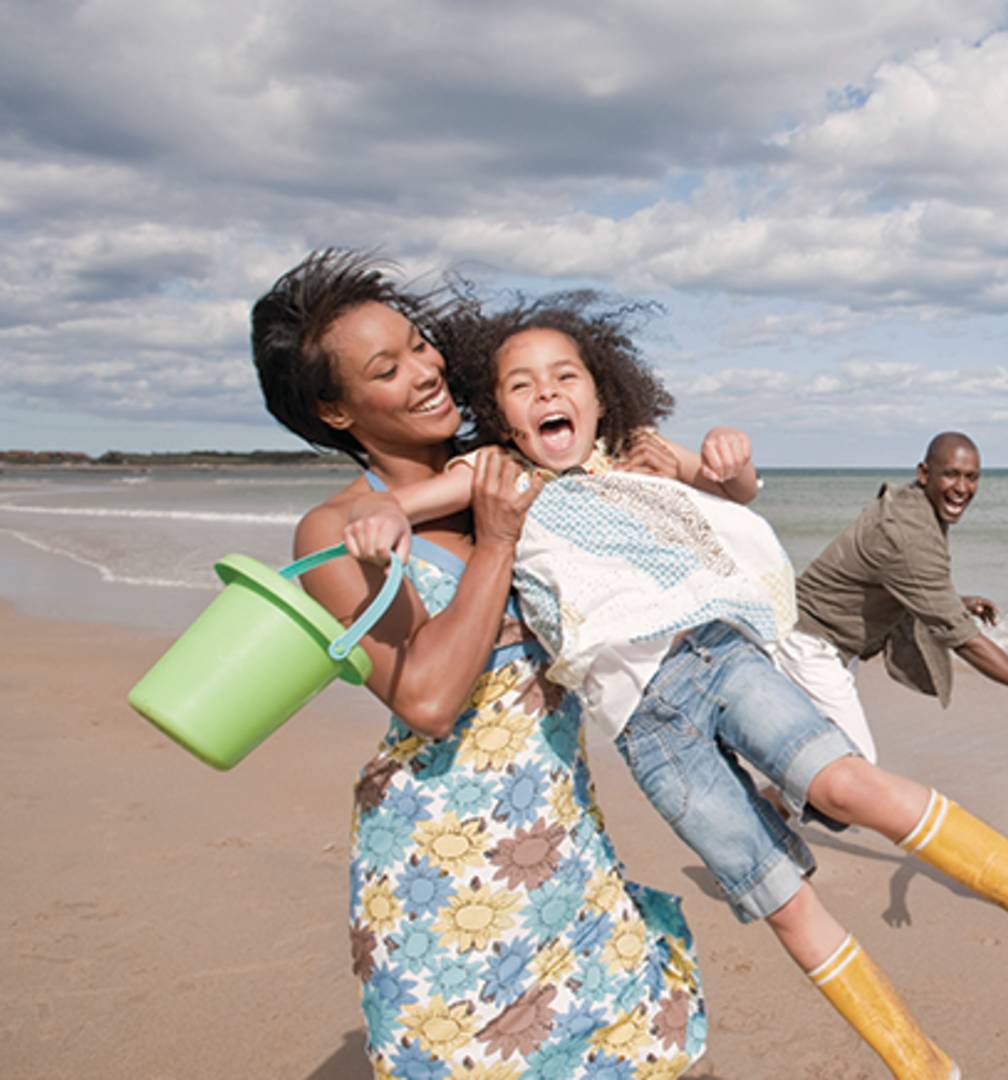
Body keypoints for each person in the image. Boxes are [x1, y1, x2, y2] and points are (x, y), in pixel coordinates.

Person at [347, 293, 1008, 1080]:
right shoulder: (499, 474)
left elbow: (733, 492)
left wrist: (730, 457)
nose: (548, 393)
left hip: (718, 654)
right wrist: (382, 521)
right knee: (781, 898)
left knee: (848, 784)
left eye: (565, 375)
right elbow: (402, 504)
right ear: (502, 415)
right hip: (648, 728)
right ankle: (917, 1062)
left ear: (599, 392)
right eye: (521, 385)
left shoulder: (633, 450)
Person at [251, 251, 704, 1078]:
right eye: (387, 370)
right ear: (335, 411)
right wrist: (495, 542)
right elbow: (424, 697)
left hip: (564, 838)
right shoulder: (336, 531)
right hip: (446, 868)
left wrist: (669, 476)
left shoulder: (519, 471)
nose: (426, 372)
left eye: (420, 346)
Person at [769, 432, 1008, 769]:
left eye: (972, 477)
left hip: (830, 644)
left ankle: (767, 809)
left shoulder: (914, 504)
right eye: (951, 474)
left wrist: (956, 601)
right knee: (854, 768)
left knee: (827, 762)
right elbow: (964, 639)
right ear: (925, 474)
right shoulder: (909, 532)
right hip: (810, 644)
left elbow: (900, 580)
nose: (962, 488)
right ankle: (763, 807)